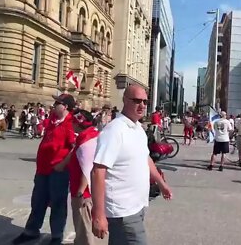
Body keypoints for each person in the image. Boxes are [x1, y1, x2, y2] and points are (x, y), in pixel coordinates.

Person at [91, 85, 172, 245]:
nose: (141, 105)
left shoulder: (138, 129)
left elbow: (145, 158)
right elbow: (98, 171)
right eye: (136, 100)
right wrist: (98, 213)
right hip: (122, 210)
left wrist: (162, 184)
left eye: (144, 101)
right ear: (125, 100)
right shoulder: (114, 130)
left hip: (137, 206)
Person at [13, 94, 76, 245]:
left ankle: (56, 236)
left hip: (59, 171)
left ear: (65, 106)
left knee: (58, 204)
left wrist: (62, 164)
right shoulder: (53, 120)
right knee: (38, 201)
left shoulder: (71, 123)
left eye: (57, 103)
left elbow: (75, 148)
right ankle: (31, 231)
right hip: (43, 169)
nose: (54, 106)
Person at [68, 109, 104, 245]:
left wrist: (80, 191)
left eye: (73, 122)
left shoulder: (86, 141)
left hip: (84, 193)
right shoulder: (92, 134)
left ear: (78, 123)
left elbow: (87, 167)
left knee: (84, 228)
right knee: (83, 226)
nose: (71, 124)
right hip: (87, 190)